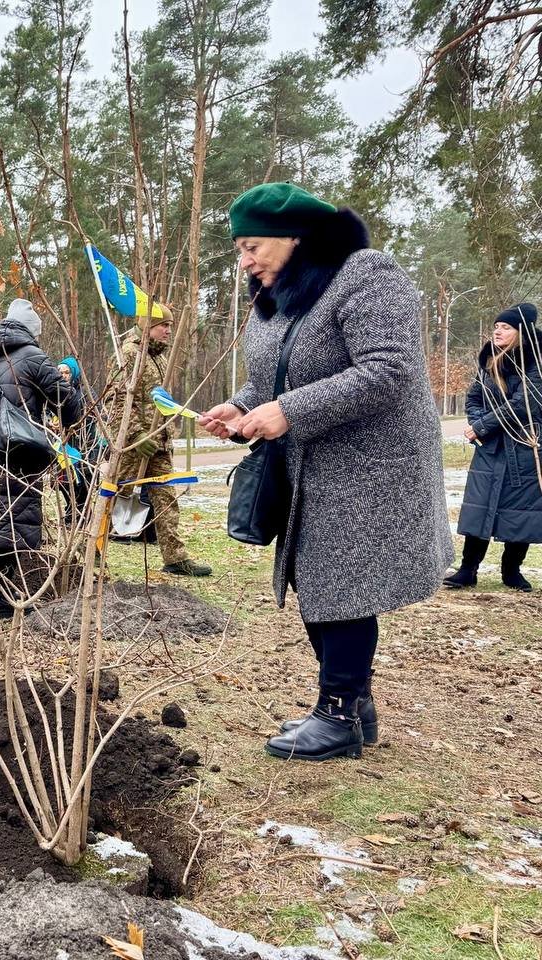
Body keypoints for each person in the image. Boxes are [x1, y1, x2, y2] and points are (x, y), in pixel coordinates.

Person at [200, 182, 452, 762]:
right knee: (317, 585)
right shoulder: (275, 296)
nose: (245, 261)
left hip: (371, 468)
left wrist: (288, 411)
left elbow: (389, 371)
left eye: (253, 246)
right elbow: (276, 378)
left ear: (295, 237)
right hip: (309, 466)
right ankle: (353, 706)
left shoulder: (367, 274)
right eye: (239, 249)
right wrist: (241, 406)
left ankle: (338, 714)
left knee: (341, 589)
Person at [0, 298, 81, 618]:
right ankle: (5, 603)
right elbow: (67, 403)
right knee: (14, 516)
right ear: (31, 331)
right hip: (14, 446)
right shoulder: (31, 355)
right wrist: (74, 398)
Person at [444, 302, 541, 592]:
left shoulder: (536, 363)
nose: (497, 331)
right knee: (479, 507)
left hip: (524, 448)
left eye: (506, 327)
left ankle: (512, 571)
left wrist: (481, 425)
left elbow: (523, 406)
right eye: (496, 326)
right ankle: (467, 569)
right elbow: (473, 397)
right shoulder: (490, 362)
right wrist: (477, 424)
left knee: (520, 511)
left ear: (521, 332)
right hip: (490, 449)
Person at [110, 320, 212, 577]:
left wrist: (166, 432)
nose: (168, 330)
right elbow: (117, 398)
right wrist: (136, 434)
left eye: (170, 325)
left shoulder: (161, 358)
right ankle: (89, 548)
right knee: (113, 494)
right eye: (162, 325)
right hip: (135, 445)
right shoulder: (129, 353)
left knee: (166, 499)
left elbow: (161, 401)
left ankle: (175, 558)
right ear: (147, 325)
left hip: (159, 442)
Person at [55, 356, 101, 527]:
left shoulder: (86, 393)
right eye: (59, 372)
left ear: (74, 373)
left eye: (67, 372)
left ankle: (82, 514)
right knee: (62, 480)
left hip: (84, 445)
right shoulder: (56, 393)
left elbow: (96, 414)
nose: (63, 375)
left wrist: (74, 424)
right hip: (63, 445)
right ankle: (71, 509)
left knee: (83, 481)